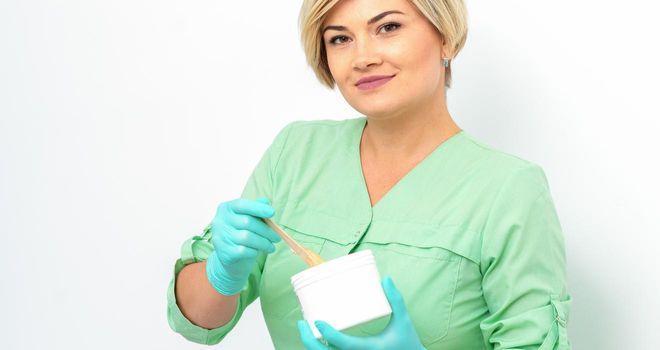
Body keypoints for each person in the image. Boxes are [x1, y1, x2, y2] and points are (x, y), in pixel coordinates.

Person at [166, 0, 572, 348]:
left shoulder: (508, 190)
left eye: (388, 27)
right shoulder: (295, 153)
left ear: (446, 37)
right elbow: (198, 322)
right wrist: (223, 271)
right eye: (340, 38)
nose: (363, 57)